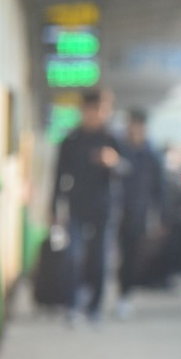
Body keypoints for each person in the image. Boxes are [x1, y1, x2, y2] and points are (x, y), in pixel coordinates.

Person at [51, 88, 125, 324]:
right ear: (84, 110)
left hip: (104, 207)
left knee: (100, 258)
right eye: (95, 110)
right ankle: (72, 305)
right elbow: (58, 176)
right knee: (72, 256)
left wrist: (114, 162)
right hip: (76, 206)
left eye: (103, 110)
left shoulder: (111, 139)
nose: (99, 115)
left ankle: (94, 307)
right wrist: (53, 208)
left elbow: (127, 171)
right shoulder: (71, 140)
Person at [116, 109, 166, 315]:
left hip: (138, 213)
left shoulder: (151, 155)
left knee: (130, 254)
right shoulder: (117, 150)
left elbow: (159, 188)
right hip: (115, 210)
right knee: (109, 253)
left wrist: (160, 216)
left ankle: (124, 295)